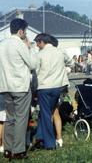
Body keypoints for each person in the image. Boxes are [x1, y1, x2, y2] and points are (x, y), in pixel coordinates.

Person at [0, 18, 37, 159]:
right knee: (21, 118)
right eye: (25, 32)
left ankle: (8, 149)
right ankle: (19, 150)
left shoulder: (2, 44)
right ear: (21, 31)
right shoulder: (19, 44)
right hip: (20, 86)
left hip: (5, 86)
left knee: (9, 118)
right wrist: (30, 47)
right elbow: (33, 64)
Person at [34, 33, 69, 150]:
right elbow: (70, 62)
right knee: (49, 112)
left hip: (44, 87)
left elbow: (36, 72)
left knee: (45, 115)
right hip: (57, 87)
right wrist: (65, 71)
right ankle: (39, 137)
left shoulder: (40, 54)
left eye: (37, 43)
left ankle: (49, 143)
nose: (37, 46)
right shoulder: (60, 52)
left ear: (41, 42)